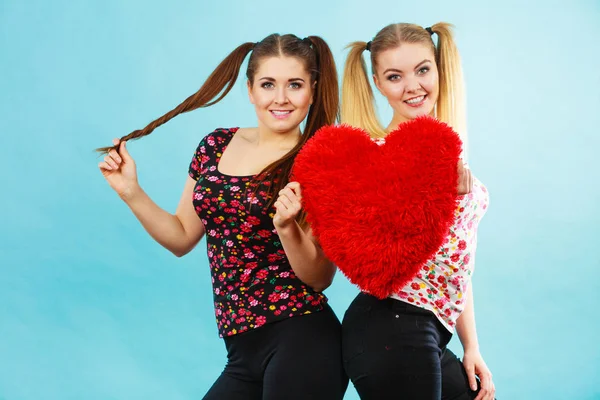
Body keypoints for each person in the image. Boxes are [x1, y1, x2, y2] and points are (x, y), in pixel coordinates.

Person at [97, 33, 347, 400]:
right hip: (241, 352)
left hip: (303, 339)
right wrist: (130, 192)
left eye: (294, 84)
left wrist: (286, 227)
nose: (280, 98)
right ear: (250, 90)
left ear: (312, 89)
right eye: (268, 84)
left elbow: (320, 277)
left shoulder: (319, 161)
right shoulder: (215, 145)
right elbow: (181, 237)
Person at [340, 22, 496, 400]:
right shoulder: (378, 154)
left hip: (431, 329)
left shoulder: (448, 152)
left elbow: (457, 258)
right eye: (395, 76)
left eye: (423, 70)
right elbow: (388, 252)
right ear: (377, 82)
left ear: (439, 69)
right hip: (391, 324)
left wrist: (471, 345)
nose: (413, 86)